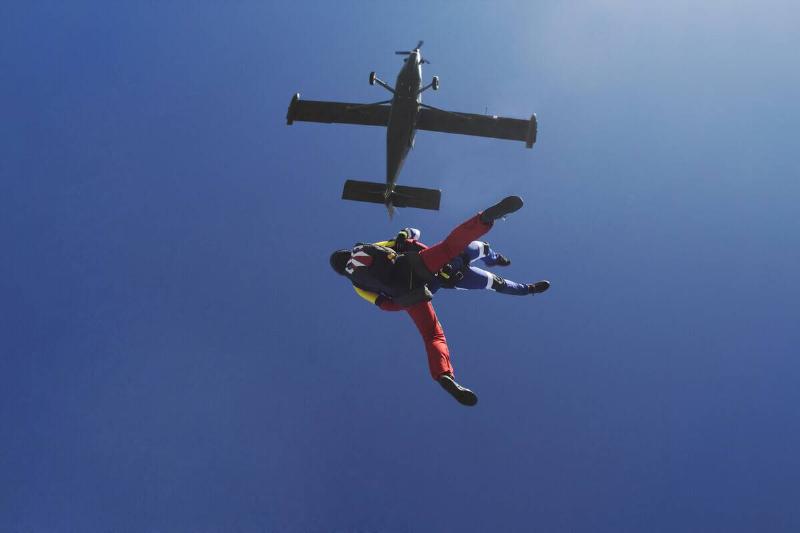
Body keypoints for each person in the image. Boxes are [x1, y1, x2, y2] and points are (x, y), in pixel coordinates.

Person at [329, 196, 546, 406]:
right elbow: (407, 235)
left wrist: (410, 299)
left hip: (409, 291)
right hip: (421, 266)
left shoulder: (356, 284)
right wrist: (405, 238)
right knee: (462, 251)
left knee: (432, 335)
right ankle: (487, 222)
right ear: (347, 251)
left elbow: (384, 305)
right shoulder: (363, 248)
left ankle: (444, 375)